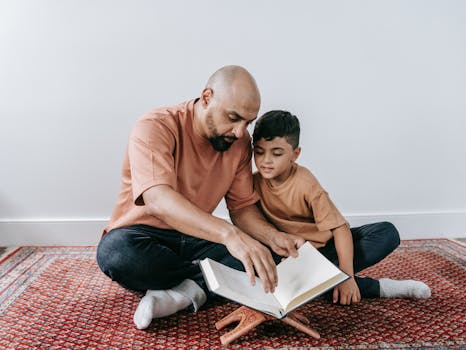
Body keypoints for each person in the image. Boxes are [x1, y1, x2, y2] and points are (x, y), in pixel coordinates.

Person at [96, 66, 304, 330]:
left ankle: (185, 290)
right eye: (233, 118)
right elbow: (158, 201)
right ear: (206, 97)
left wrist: (272, 237)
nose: (240, 132)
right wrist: (230, 236)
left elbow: (242, 209)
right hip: (143, 235)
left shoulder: (238, 143)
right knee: (116, 253)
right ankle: (206, 283)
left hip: (198, 237)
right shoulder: (155, 126)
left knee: (265, 258)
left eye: (247, 123)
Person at [252, 110, 431, 304]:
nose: (266, 160)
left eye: (277, 153)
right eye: (259, 152)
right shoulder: (251, 182)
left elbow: (340, 228)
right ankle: (361, 286)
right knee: (227, 262)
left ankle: (334, 281)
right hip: (285, 257)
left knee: (387, 232)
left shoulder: (305, 183)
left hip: (323, 252)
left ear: (295, 154)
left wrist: (347, 275)